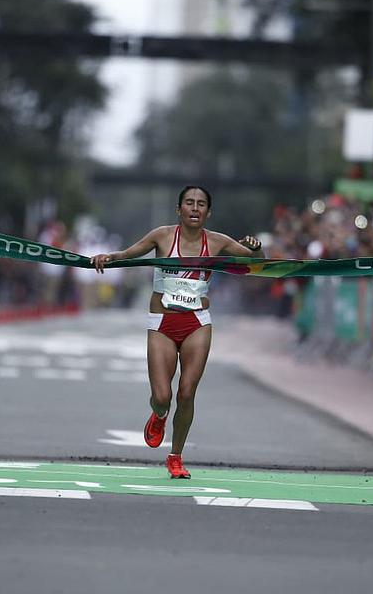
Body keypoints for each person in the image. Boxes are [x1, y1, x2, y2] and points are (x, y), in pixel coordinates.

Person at [92, 186, 263, 479]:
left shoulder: (218, 241)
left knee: (186, 392)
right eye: (189, 203)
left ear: (208, 212)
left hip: (197, 323)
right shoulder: (162, 236)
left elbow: (257, 264)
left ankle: (176, 457)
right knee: (162, 396)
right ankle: (159, 415)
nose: (195, 208)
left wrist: (257, 248)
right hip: (162, 323)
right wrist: (107, 257)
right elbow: (128, 255)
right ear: (178, 209)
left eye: (201, 204)